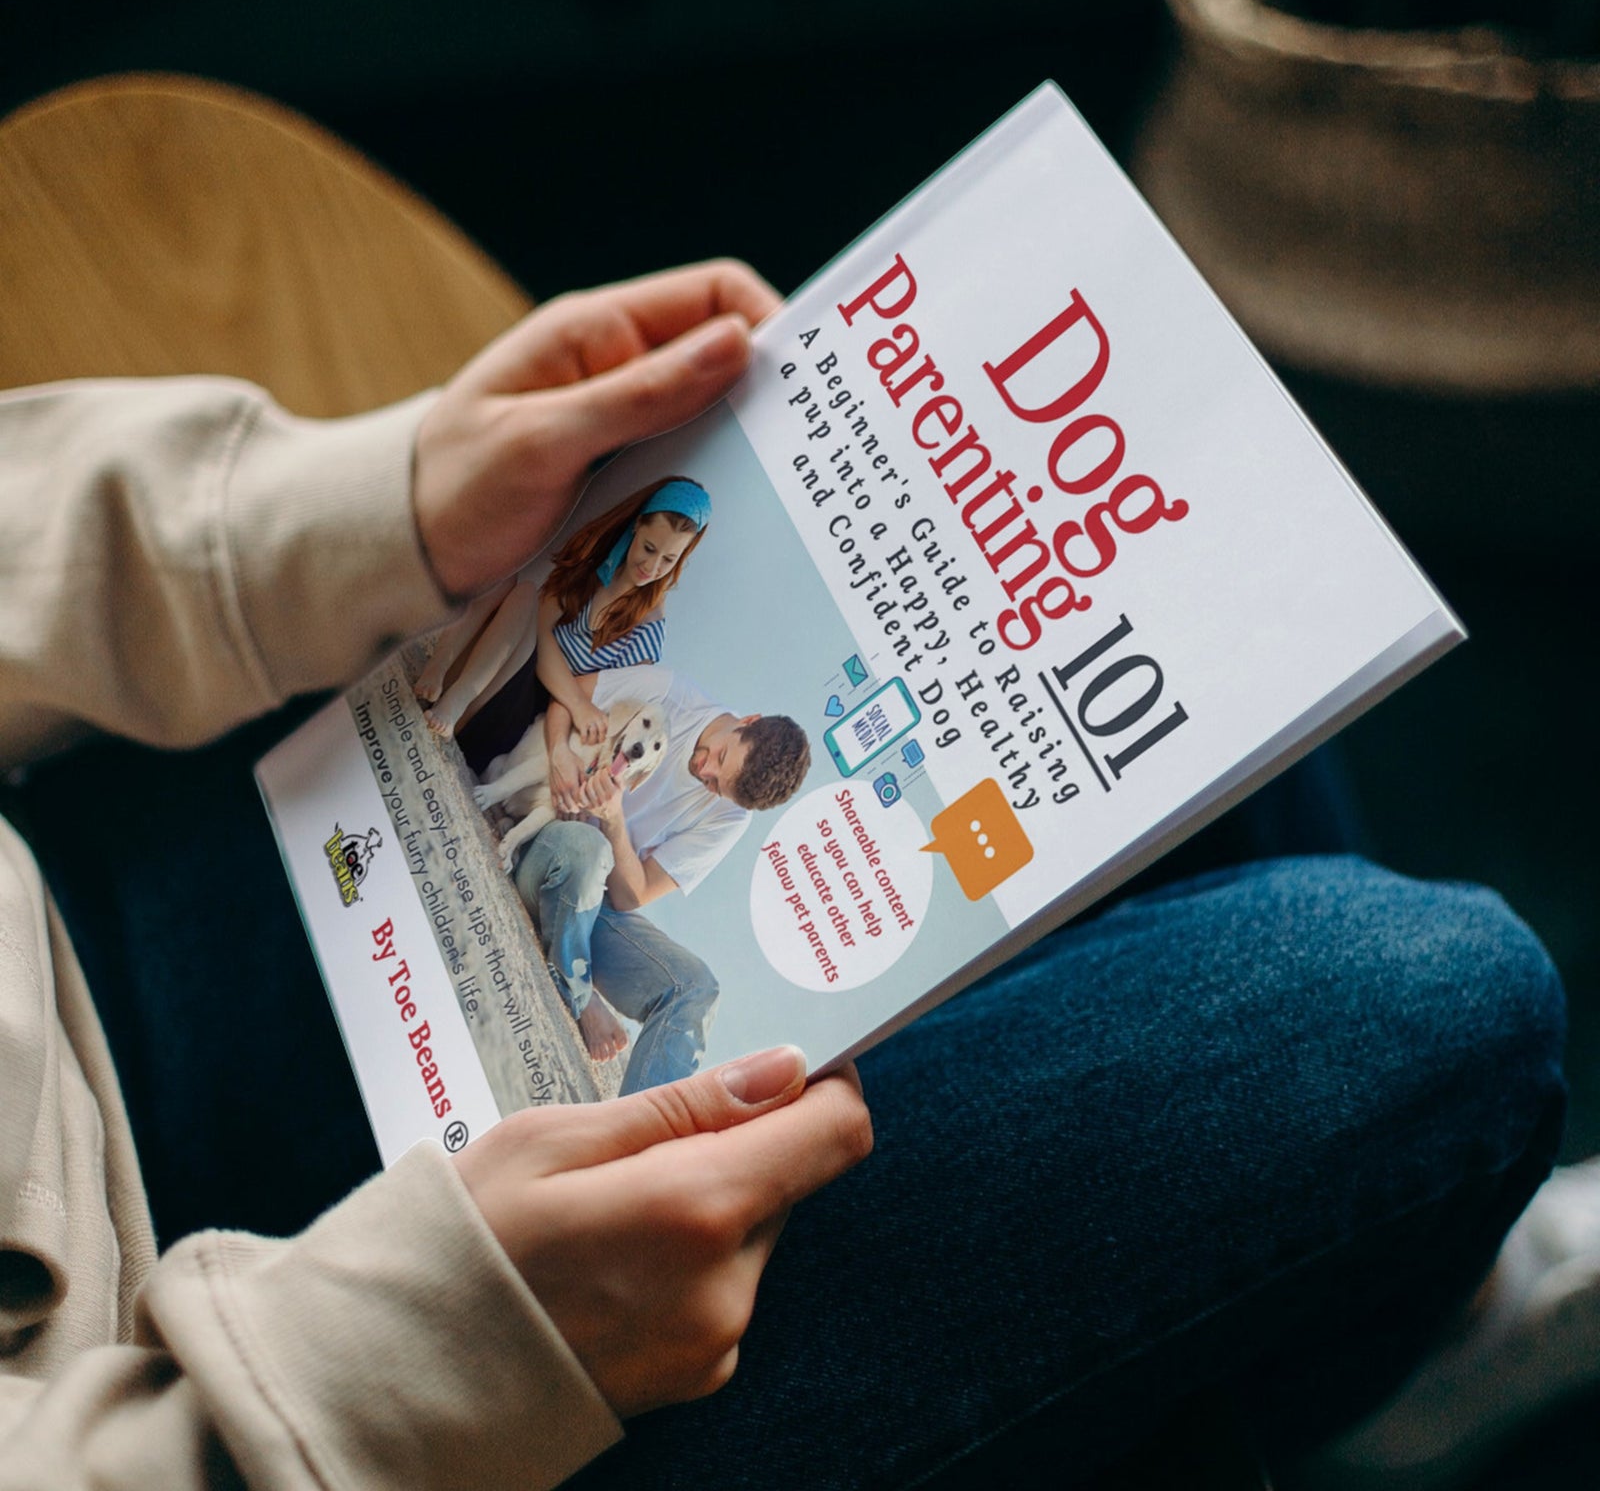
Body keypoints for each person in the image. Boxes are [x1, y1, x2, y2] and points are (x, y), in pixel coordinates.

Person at [0, 258, 1583, 1491]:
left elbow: (629, 846)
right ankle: (1372, 1349)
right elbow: (573, 781)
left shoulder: (693, 746)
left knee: (1193, 643)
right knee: (1444, 1007)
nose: (694, 753)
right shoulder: (655, 732)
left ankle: (1362, 1293)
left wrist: (331, 509)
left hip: (99, 842)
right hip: (221, 1382)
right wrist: (378, 1383)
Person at [513, 660, 810, 1085]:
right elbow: (569, 696)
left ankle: (632, 1139)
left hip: (592, 897)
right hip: (549, 840)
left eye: (715, 785)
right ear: (748, 721)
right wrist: (561, 753)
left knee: (697, 991)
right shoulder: (669, 692)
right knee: (589, 847)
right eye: (720, 756)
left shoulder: (731, 817)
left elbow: (631, 896)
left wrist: (614, 819)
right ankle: (579, 994)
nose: (705, 771)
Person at [414, 475, 710, 745]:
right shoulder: (596, 559)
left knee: (526, 596)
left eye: (669, 559)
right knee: (509, 583)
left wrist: (579, 706)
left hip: (523, 715)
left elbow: (594, 700)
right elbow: (540, 626)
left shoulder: (648, 632)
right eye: (649, 548)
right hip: (494, 667)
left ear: (681, 558)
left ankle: (459, 703)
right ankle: (440, 666)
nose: (653, 567)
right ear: (637, 525)